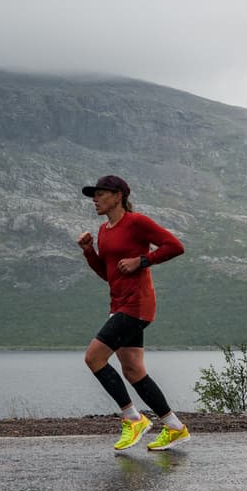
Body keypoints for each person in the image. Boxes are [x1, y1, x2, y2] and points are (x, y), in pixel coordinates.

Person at [76, 174, 189, 451]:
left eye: (101, 193)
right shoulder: (104, 230)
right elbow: (109, 274)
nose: (95, 199)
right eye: (94, 194)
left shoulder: (136, 222)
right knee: (133, 370)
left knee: (93, 358)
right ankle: (174, 426)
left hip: (137, 305)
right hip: (119, 304)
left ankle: (132, 417)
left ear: (118, 196)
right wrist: (90, 251)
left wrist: (142, 260)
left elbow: (175, 246)